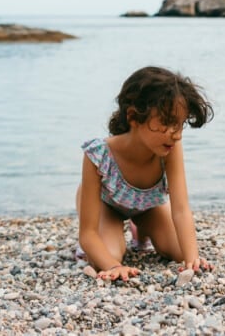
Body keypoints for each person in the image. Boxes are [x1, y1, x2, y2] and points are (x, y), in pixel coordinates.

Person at [76, 66, 214, 281]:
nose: (176, 134)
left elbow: (180, 208)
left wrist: (192, 259)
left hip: (147, 207)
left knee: (179, 251)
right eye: (167, 123)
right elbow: (87, 233)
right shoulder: (98, 155)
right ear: (133, 116)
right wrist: (113, 266)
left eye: (179, 125)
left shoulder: (169, 147)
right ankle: (115, 238)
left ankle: (139, 229)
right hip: (106, 206)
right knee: (109, 255)